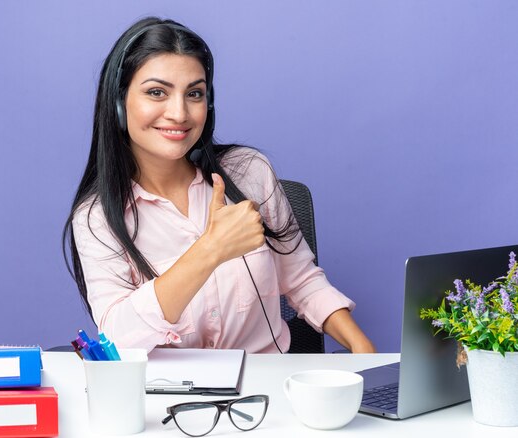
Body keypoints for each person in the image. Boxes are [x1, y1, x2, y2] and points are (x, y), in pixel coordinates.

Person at [63, 17, 376, 354]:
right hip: (170, 400)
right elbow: (119, 337)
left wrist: (365, 352)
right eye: (157, 92)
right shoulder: (97, 218)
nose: (179, 113)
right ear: (120, 104)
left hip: (267, 389)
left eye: (194, 93)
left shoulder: (248, 173)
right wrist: (210, 250)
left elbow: (301, 279)